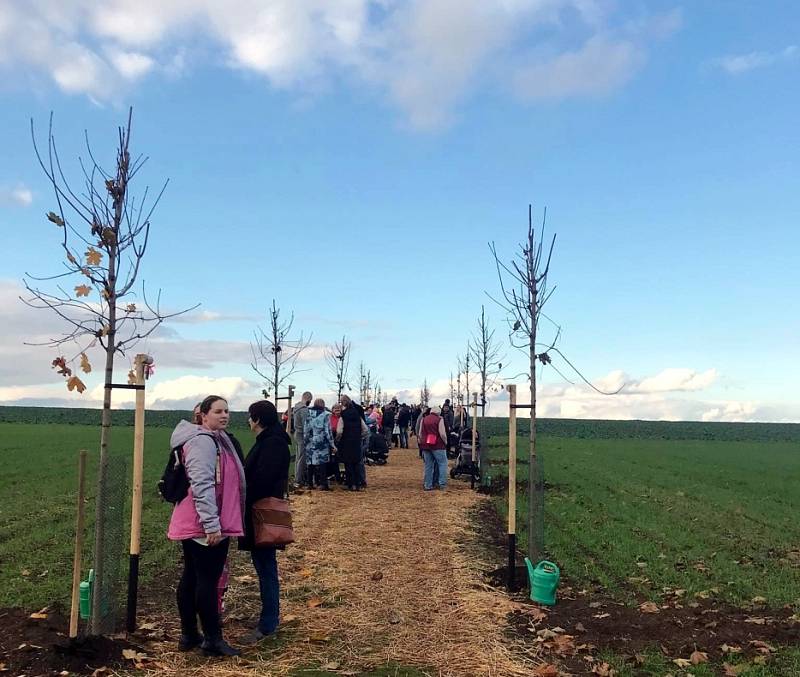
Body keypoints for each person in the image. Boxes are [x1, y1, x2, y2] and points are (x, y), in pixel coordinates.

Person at [167, 395, 245, 657]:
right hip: (203, 523)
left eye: (227, 411)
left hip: (197, 519)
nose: (224, 415)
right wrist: (212, 525)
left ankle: (189, 635)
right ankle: (212, 639)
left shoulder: (213, 438)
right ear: (203, 415)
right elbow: (202, 484)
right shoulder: (202, 441)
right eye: (218, 411)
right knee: (206, 581)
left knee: (192, 576)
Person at [238, 400, 291, 645]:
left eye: (250, 416)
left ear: (257, 419)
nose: (248, 420)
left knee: (266, 568)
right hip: (260, 513)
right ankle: (268, 617)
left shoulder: (272, 444)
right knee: (264, 566)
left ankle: (268, 622)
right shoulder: (273, 441)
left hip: (261, 515)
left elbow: (262, 479)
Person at [337, 395, 369, 490]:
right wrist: (360, 436)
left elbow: (339, 431)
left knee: (348, 463)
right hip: (356, 441)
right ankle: (358, 484)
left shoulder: (343, 415)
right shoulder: (357, 414)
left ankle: (351, 484)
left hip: (346, 442)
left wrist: (338, 440)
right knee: (356, 462)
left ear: (343, 403)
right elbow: (365, 430)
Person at [304, 398, 335, 490]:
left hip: (310, 441)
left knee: (311, 462)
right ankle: (323, 484)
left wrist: (306, 441)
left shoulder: (308, 414)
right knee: (322, 463)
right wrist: (332, 444)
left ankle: (310, 483)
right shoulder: (325, 415)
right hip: (321, 442)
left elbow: (306, 429)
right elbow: (327, 431)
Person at [418, 405, 448, 491]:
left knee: (428, 465)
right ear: (438, 412)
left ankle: (428, 485)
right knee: (442, 464)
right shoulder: (439, 419)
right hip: (438, 445)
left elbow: (420, 433)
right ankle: (442, 484)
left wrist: (421, 442)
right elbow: (442, 433)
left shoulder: (424, 419)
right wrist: (445, 442)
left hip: (426, 445)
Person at [292, 391, 312, 488]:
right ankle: (299, 480)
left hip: (297, 433)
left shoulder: (296, 408)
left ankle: (297, 477)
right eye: (310, 401)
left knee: (298, 457)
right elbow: (306, 425)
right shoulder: (304, 409)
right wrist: (308, 437)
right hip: (302, 435)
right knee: (302, 458)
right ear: (308, 398)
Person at [328, 403, 343, 483]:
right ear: (332, 410)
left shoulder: (342, 417)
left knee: (339, 459)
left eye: (338, 409)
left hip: (341, 440)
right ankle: (333, 474)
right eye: (335, 410)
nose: (337, 411)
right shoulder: (330, 417)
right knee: (332, 459)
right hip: (332, 438)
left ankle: (339, 476)